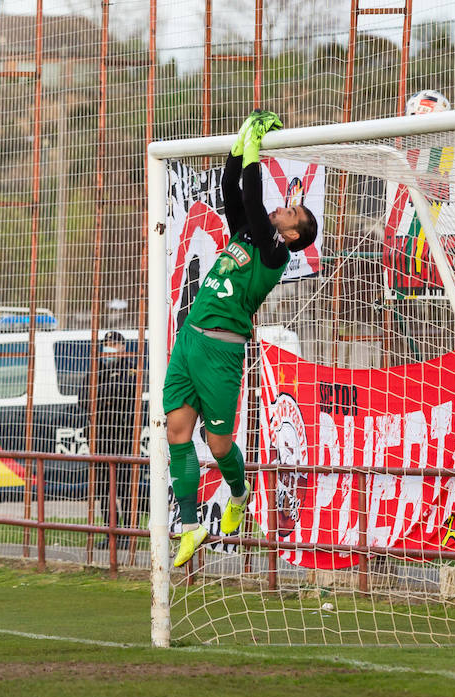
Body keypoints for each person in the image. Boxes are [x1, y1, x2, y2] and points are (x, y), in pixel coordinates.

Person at [165, 110, 319, 567]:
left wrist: (255, 150)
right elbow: (233, 189)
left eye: (288, 210)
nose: (279, 207)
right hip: (190, 338)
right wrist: (240, 142)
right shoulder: (248, 234)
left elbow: (252, 196)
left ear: (292, 233)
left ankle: (238, 492)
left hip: (221, 351)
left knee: (216, 446)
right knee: (176, 432)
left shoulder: (275, 256)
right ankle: (190, 527)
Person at [90, 330, 139, 549]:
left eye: (113, 344)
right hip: (100, 440)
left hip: (124, 439)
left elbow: (123, 394)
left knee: (126, 489)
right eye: (106, 344)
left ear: (122, 348)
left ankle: (128, 534)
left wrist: (101, 396)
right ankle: (112, 534)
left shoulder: (130, 371)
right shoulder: (95, 370)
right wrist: (106, 397)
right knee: (104, 489)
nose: (109, 348)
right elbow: (84, 398)